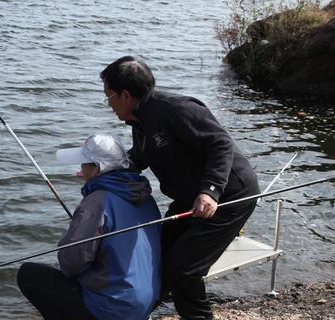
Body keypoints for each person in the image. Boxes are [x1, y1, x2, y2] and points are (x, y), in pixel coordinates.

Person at [100, 56, 260, 320]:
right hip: (189, 196)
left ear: (125, 95)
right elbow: (140, 157)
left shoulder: (176, 109)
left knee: (184, 268)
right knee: (157, 253)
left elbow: (220, 144)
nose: (108, 104)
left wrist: (210, 191)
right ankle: (136, 312)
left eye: (109, 96)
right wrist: (103, 169)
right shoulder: (140, 121)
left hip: (229, 195)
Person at [17, 134, 162, 320]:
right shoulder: (146, 198)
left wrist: (73, 232)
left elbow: (70, 264)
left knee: (28, 274)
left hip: (113, 310)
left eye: (84, 164)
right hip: (143, 304)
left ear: (97, 168)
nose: (80, 168)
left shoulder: (97, 202)